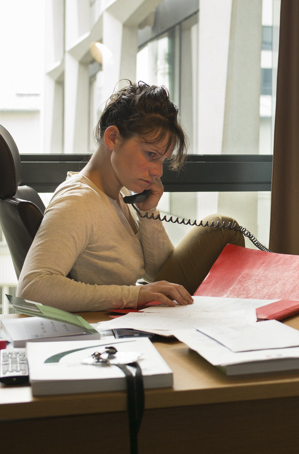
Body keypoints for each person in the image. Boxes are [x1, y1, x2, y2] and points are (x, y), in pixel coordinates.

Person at [17, 81, 244, 313]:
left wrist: (148, 212)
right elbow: (32, 288)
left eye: (161, 160)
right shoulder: (78, 201)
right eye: (151, 155)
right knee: (222, 227)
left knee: (223, 226)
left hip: (136, 307)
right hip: (114, 323)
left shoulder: (120, 192)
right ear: (113, 138)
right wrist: (134, 295)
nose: (158, 172)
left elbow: (157, 272)